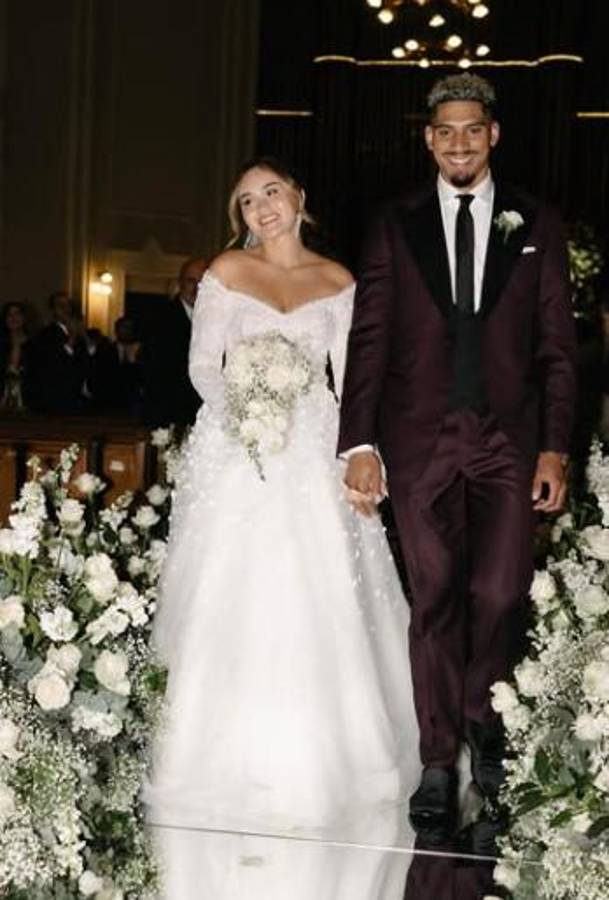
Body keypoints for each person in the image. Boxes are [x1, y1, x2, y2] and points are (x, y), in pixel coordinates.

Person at [144, 157, 420, 897]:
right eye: (246, 200)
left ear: (299, 196)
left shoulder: (338, 280)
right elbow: (203, 367)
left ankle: (338, 761)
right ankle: (211, 762)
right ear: (238, 216)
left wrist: (359, 453)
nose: (261, 207)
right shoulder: (227, 271)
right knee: (235, 591)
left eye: (271, 192)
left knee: (318, 591)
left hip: (316, 446)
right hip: (240, 447)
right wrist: (249, 402)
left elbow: (353, 382)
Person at [339, 73, 577, 839]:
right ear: (428, 139)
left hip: (508, 441)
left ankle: (482, 719)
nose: (458, 144)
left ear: (492, 134)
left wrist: (554, 448)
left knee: (501, 593)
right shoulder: (393, 223)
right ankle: (438, 761)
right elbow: (369, 337)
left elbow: (557, 348)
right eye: (444, 131)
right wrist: (359, 442)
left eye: (472, 129)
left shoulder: (536, 222)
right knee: (434, 597)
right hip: (418, 441)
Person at [141, 256, 206, 427]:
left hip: (203, 413)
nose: (196, 288)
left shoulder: (215, 318)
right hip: (168, 413)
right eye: (191, 281)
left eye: (202, 283)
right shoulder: (159, 317)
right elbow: (153, 370)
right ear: (180, 283)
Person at [24, 291, 88, 415]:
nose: (64, 309)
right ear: (53, 310)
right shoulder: (45, 335)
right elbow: (53, 363)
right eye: (60, 305)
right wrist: (72, 338)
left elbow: (88, 358)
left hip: (77, 397)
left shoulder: (80, 333)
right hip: (55, 398)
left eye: (67, 305)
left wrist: (83, 336)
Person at [0, 302, 30, 410]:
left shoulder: (34, 344)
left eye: (17, 314)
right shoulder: (2, 343)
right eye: (9, 314)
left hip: (28, 399)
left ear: (24, 318)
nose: (13, 318)